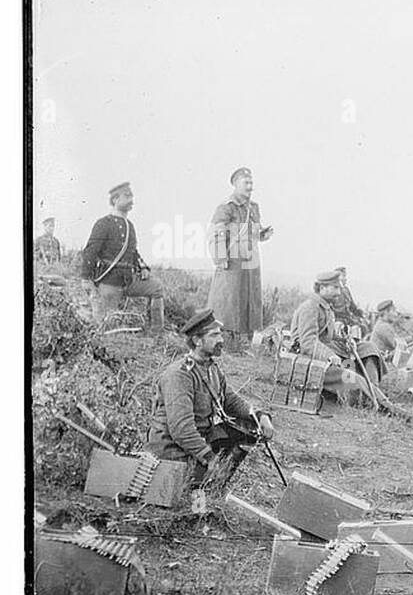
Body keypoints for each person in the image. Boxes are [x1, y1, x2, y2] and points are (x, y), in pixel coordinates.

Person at [144, 308, 273, 486]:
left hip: (194, 445)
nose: (221, 340)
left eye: (220, 334)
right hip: (172, 452)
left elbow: (231, 400)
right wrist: (209, 457)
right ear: (197, 340)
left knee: (244, 433)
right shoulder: (180, 376)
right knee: (201, 497)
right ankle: (200, 493)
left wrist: (259, 415)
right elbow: (181, 429)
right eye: (214, 335)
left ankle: (207, 487)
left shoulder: (211, 368)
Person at [288, 270, 391, 407]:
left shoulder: (325, 306)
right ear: (322, 288)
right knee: (353, 378)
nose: (339, 292)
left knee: (368, 348)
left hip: (325, 351)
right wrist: (329, 355)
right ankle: (380, 403)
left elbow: (326, 334)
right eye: (335, 288)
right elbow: (308, 342)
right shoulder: (310, 307)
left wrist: (344, 339)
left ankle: (373, 389)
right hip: (310, 359)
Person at [80, 181, 165, 331]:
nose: (131, 200)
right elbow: (90, 252)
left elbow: (133, 251)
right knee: (108, 326)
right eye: (127, 196)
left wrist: (143, 267)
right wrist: (86, 279)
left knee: (156, 287)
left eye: (131, 196)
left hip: (128, 280)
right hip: (109, 282)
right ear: (115, 200)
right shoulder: (103, 223)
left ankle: (157, 333)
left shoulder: (129, 225)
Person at [207, 166, 274, 350]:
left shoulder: (254, 207)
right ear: (236, 184)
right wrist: (220, 257)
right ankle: (224, 339)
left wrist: (262, 234)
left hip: (251, 259)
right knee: (229, 298)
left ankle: (245, 339)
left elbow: (253, 233)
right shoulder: (226, 207)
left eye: (251, 182)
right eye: (246, 183)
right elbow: (216, 232)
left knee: (250, 297)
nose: (250, 186)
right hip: (233, 258)